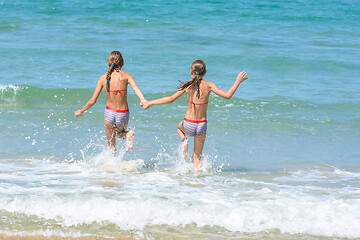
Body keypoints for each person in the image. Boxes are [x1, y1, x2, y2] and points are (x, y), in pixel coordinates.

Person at [141, 59, 247, 169]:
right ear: (205, 73)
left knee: (179, 128)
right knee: (196, 158)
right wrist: (238, 81)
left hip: (188, 124)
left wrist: (150, 102)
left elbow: (170, 99)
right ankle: (196, 182)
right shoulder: (209, 85)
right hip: (201, 125)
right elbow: (227, 95)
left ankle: (184, 141)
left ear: (191, 72)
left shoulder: (187, 86)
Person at [75, 51, 146, 153]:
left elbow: (92, 100)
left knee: (111, 146)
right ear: (123, 64)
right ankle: (127, 134)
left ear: (108, 63)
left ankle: (111, 167)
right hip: (123, 113)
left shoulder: (103, 78)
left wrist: (81, 111)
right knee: (119, 133)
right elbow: (136, 89)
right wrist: (143, 100)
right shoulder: (126, 76)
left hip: (109, 113)